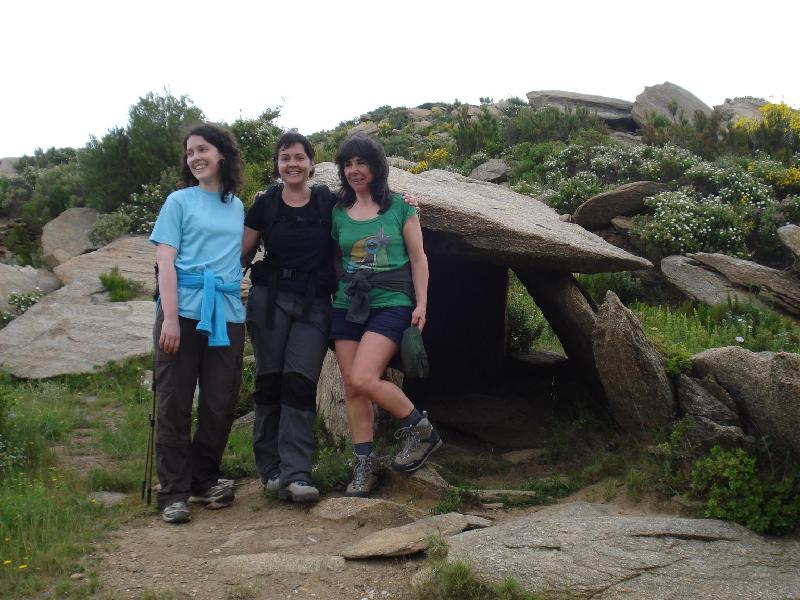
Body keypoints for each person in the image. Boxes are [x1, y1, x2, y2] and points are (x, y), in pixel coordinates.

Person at [330, 134, 441, 498]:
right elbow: (335, 257)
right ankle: (365, 464)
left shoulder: (400, 207)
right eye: (347, 164)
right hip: (348, 303)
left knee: (364, 377)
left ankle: (421, 428)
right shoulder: (337, 211)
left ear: (376, 167)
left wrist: (421, 302)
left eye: (361, 163)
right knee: (351, 385)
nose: (353, 170)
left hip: (392, 301)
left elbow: (419, 257)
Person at [150, 123, 246, 524]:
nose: (195, 157)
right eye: (190, 152)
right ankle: (173, 492)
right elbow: (164, 261)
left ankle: (204, 479)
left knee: (219, 403)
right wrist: (169, 317)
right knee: (173, 401)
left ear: (222, 153)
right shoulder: (178, 201)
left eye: (202, 149)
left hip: (226, 314)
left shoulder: (236, 205)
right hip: (182, 314)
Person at [240, 132, 337, 503]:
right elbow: (241, 256)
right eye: (285, 158)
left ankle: (297, 473)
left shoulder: (328, 202)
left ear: (312, 163)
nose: (292, 164)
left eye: (299, 157)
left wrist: (405, 201)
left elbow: (365, 211)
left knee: (299, 384)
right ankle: (271, 468)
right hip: (270, 302)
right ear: (277, 165)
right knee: (270, 382)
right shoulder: (265, 205)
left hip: (314, 305)